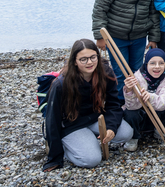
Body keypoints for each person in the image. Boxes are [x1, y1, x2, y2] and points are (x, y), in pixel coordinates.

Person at [43, 39, 134, 171]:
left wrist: (111, 128)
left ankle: (88, 138)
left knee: (126, 133)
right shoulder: (61, 84)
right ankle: (68, 146)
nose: (90, 62)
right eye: (83, 59)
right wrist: (55, 156)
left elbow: (114, 104)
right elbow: (52, 120)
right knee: (91, 160)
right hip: (71, 124)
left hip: (93, 117)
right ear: (74, 61)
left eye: (93, 57)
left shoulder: (105, 73)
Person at [91, 0, 160, 101]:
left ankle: (134, 104)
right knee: (120, 73)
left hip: (139, 37)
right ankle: (120, 106)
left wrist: (154, 38)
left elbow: (153, 13)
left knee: (136, 73)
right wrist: (99, 36)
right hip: (116, 36)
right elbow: (100, 8)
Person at [122, 48, 165, 152]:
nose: (157, 67)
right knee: (129, 113)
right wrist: (129, 90)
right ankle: (133, 137)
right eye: (152, 63)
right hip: (141, 117)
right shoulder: (136, 78)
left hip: (157, 114)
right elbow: (131, 106)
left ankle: (161, 130)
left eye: (161, 63)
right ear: (146, 64)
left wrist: (150, 97)